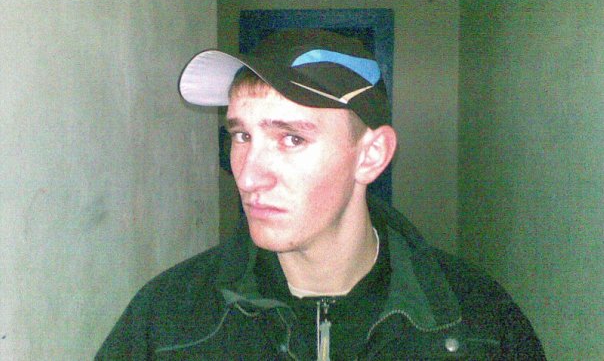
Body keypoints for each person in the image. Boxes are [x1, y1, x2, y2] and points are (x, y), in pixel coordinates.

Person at [96, 30, 545, 360]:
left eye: (291, 139)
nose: (248, 177)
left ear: (370, 156)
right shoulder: (168, 319)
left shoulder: (481, 325)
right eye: (241, 136)